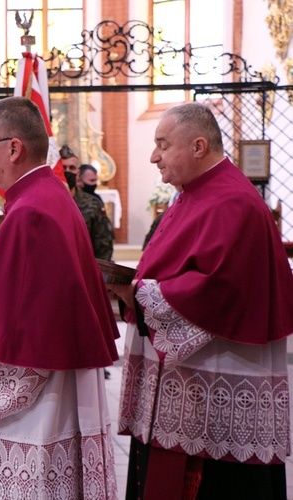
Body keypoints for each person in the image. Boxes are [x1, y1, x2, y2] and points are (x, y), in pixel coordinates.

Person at [0, 97, 120, 499]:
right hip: (57, 382)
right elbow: (25, 309)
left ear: (13, 148)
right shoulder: (47, 196)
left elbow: (16, 339)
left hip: (37, 412)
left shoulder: (29, 211)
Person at [109, 102, 293, 499]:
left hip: (212, 389)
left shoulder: (231, 202)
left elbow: (218, 289)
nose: (153, 156)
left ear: (198, 146)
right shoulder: (192, 195)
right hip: (186, 382)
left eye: (163, 144)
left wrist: (136, 292)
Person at [74, 163, 115, 261]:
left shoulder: (95, 201)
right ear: (79, 180)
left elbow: (103, 237)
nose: (94, 184)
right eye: (91, 181)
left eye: (95, 180)